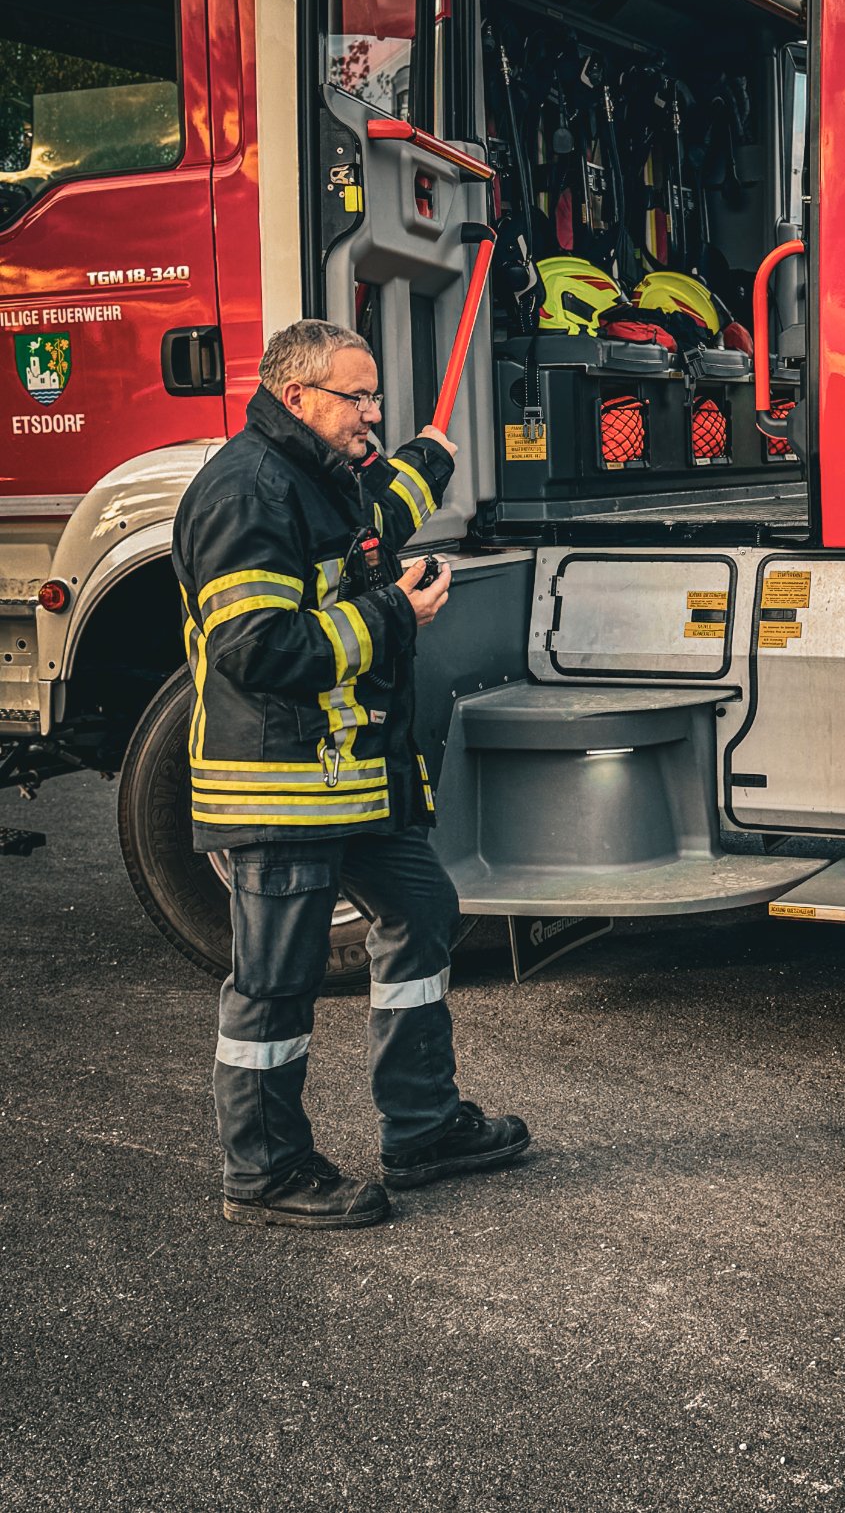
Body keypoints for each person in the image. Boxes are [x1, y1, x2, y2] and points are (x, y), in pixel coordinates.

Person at [172, 319, 529, 1230]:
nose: (372, 412)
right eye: (356, 397)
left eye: (375, 396)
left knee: (423, 909)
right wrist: (395, 614)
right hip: (279, 786)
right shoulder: (246, 493)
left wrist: (431, 459)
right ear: (296, 397)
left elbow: (378, 515)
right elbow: (258, 646)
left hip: (344, 781)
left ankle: (422, 1127)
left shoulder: (323, 471)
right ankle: (264, 1171)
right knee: (277, 981)